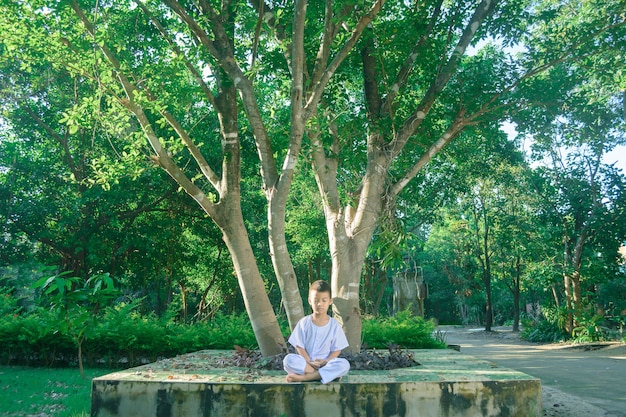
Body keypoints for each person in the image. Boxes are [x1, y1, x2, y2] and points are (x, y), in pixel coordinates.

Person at [283, 280, 350, 383]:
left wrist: (326, 361)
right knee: (288, 360)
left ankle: (306, 377)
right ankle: (322, 374)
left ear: (330, 301)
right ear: (310, 301)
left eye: (324, 300)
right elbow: (299, 346)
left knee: (344, 365)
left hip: (325, 364)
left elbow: (337, 349)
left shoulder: (334, 325)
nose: (320, 304)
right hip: (307, 364)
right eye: (316, 300)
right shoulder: (304, 322)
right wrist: (308, 361)